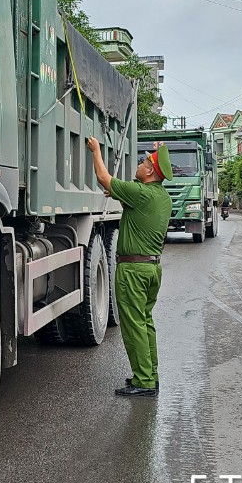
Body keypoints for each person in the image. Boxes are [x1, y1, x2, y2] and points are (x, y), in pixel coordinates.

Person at [85, 136, 173, 397]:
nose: (140, 162)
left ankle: (143, 381)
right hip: (152, 268)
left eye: (145, 160)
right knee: (145, 322)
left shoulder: (141, 193)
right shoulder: (161, 197)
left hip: (133, 271)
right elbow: (127, 199)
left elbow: (103, 177)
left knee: (134, 324)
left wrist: (96, 151)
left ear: (150, 171)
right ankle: (150, 375)